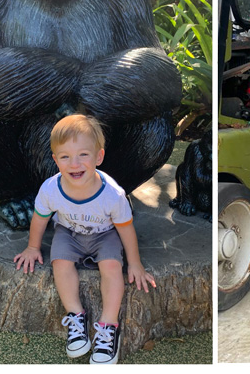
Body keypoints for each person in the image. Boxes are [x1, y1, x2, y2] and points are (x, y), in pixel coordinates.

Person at [14, 114, 156, 364]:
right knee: (60, 263)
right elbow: (39, 218)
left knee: (112, 267)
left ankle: (109, 326)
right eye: (65, 157)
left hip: (105, 234)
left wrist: (134, 263)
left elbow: (125, 229)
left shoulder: (112, 195)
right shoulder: (50, 189)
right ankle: (76, 316)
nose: (74, 164)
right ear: (55, 159)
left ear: (98, 157)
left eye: (83, 155)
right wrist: (32, 246)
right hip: (68, 233)